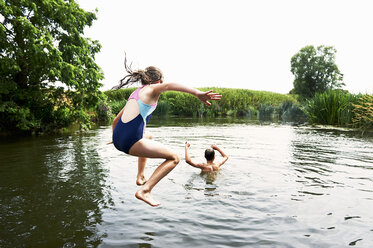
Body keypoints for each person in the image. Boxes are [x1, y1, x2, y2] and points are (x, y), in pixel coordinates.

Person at [111, 55, 222, 207]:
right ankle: (145, 190)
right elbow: (170, 86)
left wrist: (117, 137)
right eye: (161, 82)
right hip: (129, 142)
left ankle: (140, 176)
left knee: (148, 135)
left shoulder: (136, 93)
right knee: (174, 158)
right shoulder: (153, 88)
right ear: (158, 81)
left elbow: (115, 121)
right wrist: (197, 93)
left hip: (118, 139)